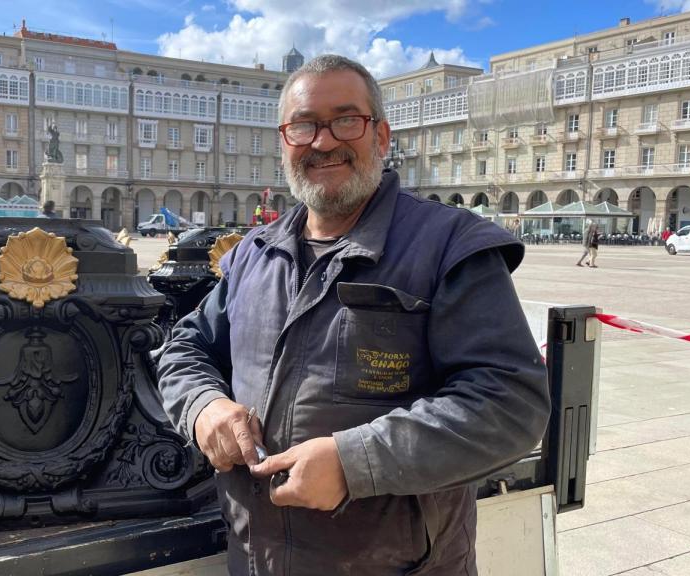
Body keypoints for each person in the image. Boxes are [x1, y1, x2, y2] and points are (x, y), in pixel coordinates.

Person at [156, 54, 550, 576]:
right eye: (304, 126)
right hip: (255, 560)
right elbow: (184, 348)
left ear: (381, 136)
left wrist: (355, 461)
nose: (323, 142)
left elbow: (511, 403)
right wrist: (204, 407)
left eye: (346, 120)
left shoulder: (448, 245)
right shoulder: (254, 253)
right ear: (284, 142)